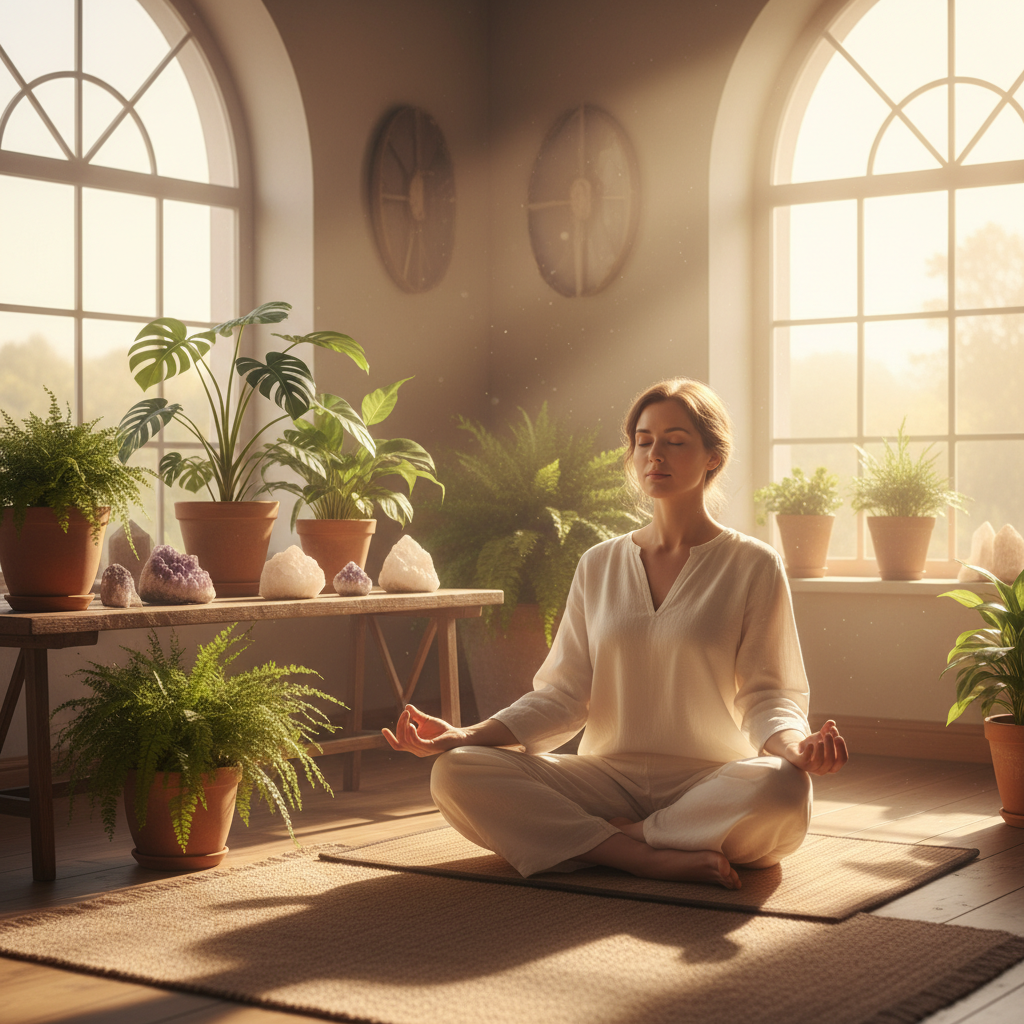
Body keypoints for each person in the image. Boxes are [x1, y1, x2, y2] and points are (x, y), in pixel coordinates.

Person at [384, 378, 848, 890]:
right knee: (455, 772)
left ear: (713, 455)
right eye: (644, 441)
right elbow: (564, 694)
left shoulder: (754, 565)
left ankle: (613, 840)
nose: (655, 455)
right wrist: (466, 734)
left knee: (783, 788)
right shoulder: (598, 563)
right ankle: (645, 855)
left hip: (712, 781)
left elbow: (770, 694)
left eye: (675, 440)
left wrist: (796, 748)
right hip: (606, 778)